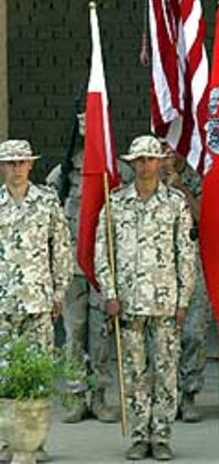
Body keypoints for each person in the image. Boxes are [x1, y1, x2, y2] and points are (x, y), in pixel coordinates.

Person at [95, 135, 195, 461]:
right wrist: (109, 294)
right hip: (128, 302)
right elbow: (102, 253)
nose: (145, 165)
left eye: (151, 159)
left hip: (166, 301)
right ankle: (140, 435)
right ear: (131, 163)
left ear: (161, 162)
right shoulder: (114, 202)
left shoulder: (175, 203)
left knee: (166, 372)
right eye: (139, 160)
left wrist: (183, 300)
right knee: (135, 374)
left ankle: (162, 436)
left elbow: (186, 253)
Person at [47, 113, 133, 424]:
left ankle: (98, 396)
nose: (88, 134)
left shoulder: (119, 172)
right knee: (74, 333)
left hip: (105, 269)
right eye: (83, 128)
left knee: (100, 335)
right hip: (72, 268)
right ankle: (75, 395)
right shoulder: (62, 174)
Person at [0, 139, 73, 463]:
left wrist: (59, 292)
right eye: (10, 163)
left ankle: (34, 441)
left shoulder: (46, 202)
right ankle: (5, 441)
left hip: (38, 302)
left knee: (38, 374)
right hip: (2, 304)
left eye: (21, 162)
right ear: (3, 167)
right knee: (3, 375)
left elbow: (61, 249)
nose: (16, 168)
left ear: (30, 165)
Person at [161, 144, 210, 423]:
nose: (168, 155)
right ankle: (167, 395)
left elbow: (204, 217)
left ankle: (189, 394)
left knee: (193, 332)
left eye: (172, 149)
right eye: (163, 149)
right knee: (163, 336)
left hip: (195, 264)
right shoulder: (148, 178)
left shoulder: (196, 177)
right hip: (160, 267)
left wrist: (181, 188)